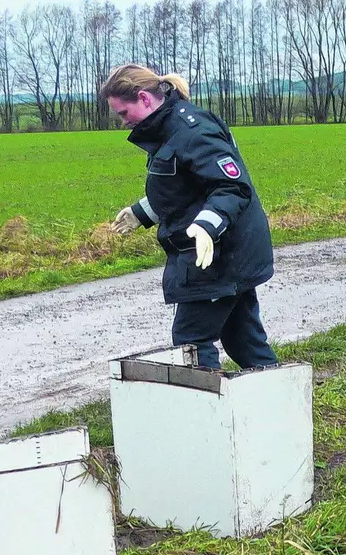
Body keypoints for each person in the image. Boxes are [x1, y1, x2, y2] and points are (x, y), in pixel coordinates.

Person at [102, 63, 281, 371]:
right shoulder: (169, 129)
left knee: (192, 342)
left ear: (144, 98)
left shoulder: (191, 130)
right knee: (244, 340)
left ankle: (210, 414)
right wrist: (141, 213)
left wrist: (206, 226)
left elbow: (231, 187)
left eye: (122, 113)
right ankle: (281, 411)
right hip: (226, 254)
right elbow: (183, 189)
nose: (122, 122)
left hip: (220, 256)